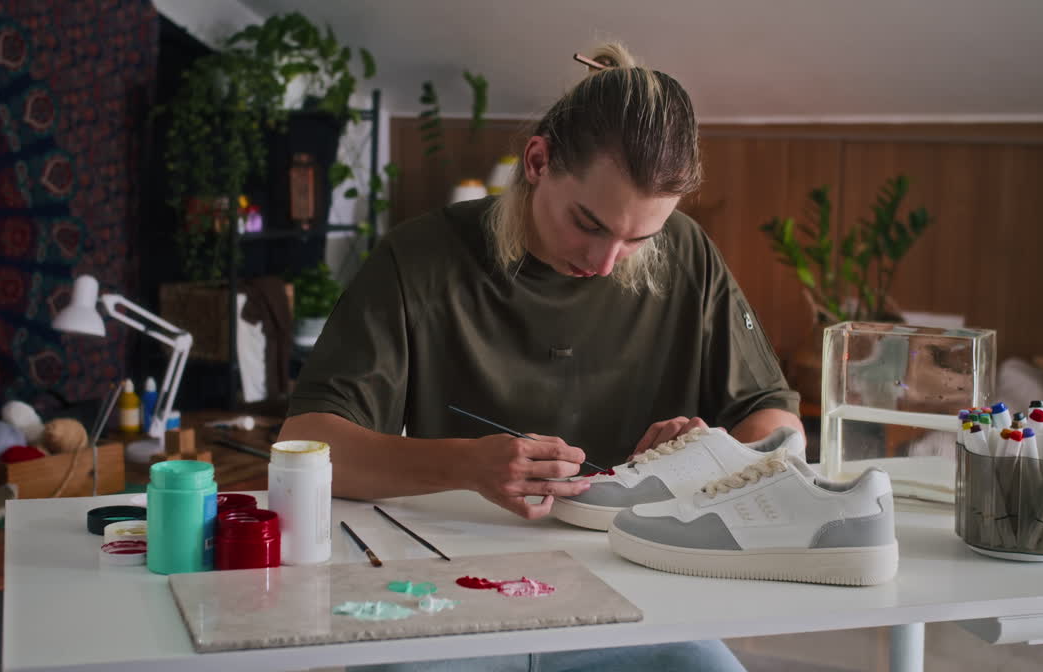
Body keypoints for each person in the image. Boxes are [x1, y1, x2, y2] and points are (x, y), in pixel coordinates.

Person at [279, 43, 802, 672]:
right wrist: (468, 464)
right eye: (589, 223)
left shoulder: (688, 255)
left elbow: (778, 426)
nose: (606, 262)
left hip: (641, 593)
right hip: (455, 595)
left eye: (640, 239)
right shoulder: (418, 260)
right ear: (537, 161)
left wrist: (711, 456)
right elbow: (307, 442)